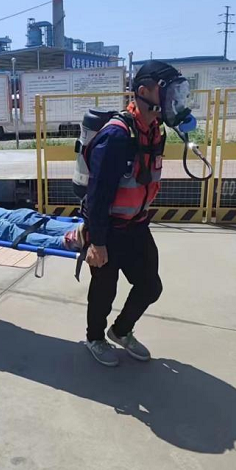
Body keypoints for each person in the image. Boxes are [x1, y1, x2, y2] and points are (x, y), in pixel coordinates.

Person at [80, 60, 184, 367]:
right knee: (104, 291)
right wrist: (97, 242)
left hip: (137, 226)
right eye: (168, 92)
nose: (174, 99)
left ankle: (121, 330)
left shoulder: (155, 131)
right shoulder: (116, 136)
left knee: (150, 286)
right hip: (108, 230)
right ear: (143, 92)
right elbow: (98, 195)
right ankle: (95, 338)